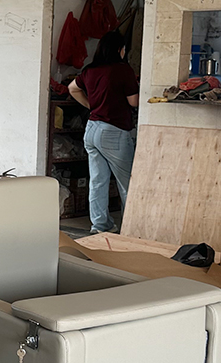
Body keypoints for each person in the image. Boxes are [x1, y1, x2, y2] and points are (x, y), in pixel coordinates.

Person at [69, 30, 139, 234]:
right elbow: (134, 102)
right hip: (114, 132)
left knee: (97, 182)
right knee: (127, 183)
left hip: (92, 129)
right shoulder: (123, 70)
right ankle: (131, 228)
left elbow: (72, 88)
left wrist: (91, 106)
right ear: (120, 50)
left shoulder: (90, 70)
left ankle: (100, 226)